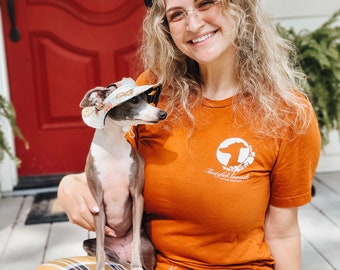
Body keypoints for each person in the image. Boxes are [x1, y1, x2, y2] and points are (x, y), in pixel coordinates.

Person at [37, 0, 321, 269]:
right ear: (165, 29)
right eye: (177, 14)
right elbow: (116, 169)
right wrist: (70, 184)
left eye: (205, 2)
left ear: (239, 6)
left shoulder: (287, 113)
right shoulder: (152, 91)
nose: (194, 24)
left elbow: (283, 234)